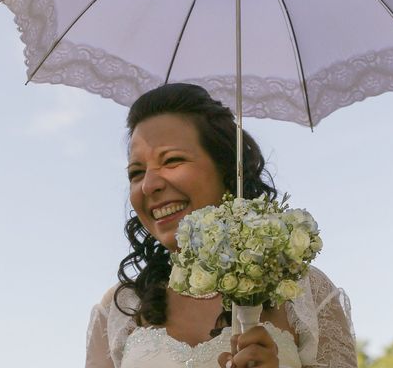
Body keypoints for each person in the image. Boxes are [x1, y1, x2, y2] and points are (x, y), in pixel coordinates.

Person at [86, 83, 357, 368]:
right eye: (136, 173)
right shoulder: (119, 310)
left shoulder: (304, 294)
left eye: (172, 160)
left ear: (228, 169)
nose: (149, 185)